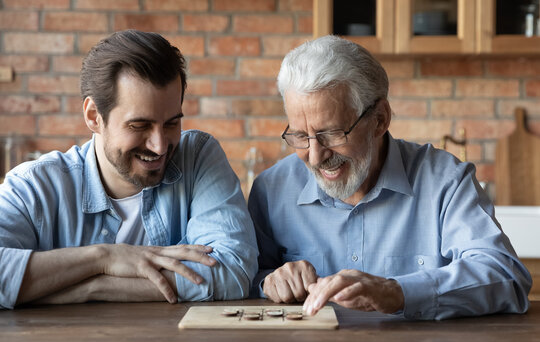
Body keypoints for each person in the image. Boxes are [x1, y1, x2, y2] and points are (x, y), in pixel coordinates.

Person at [248, 35, 531, 320]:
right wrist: (268, 281)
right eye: (300, 136)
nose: (315, 156)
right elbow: (243, 276)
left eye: (332, 133)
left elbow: (505, 276)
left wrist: (397, 292)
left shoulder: (445, 180)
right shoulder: (272, 190)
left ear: (380, 119)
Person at [0, 30, 258, 309]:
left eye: (171, 123)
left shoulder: (197, 157)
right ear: (93, 117)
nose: (160, 146)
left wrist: (93, 286)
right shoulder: (34, 186)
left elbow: (233, 271)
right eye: (140, 126)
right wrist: (104, 258)